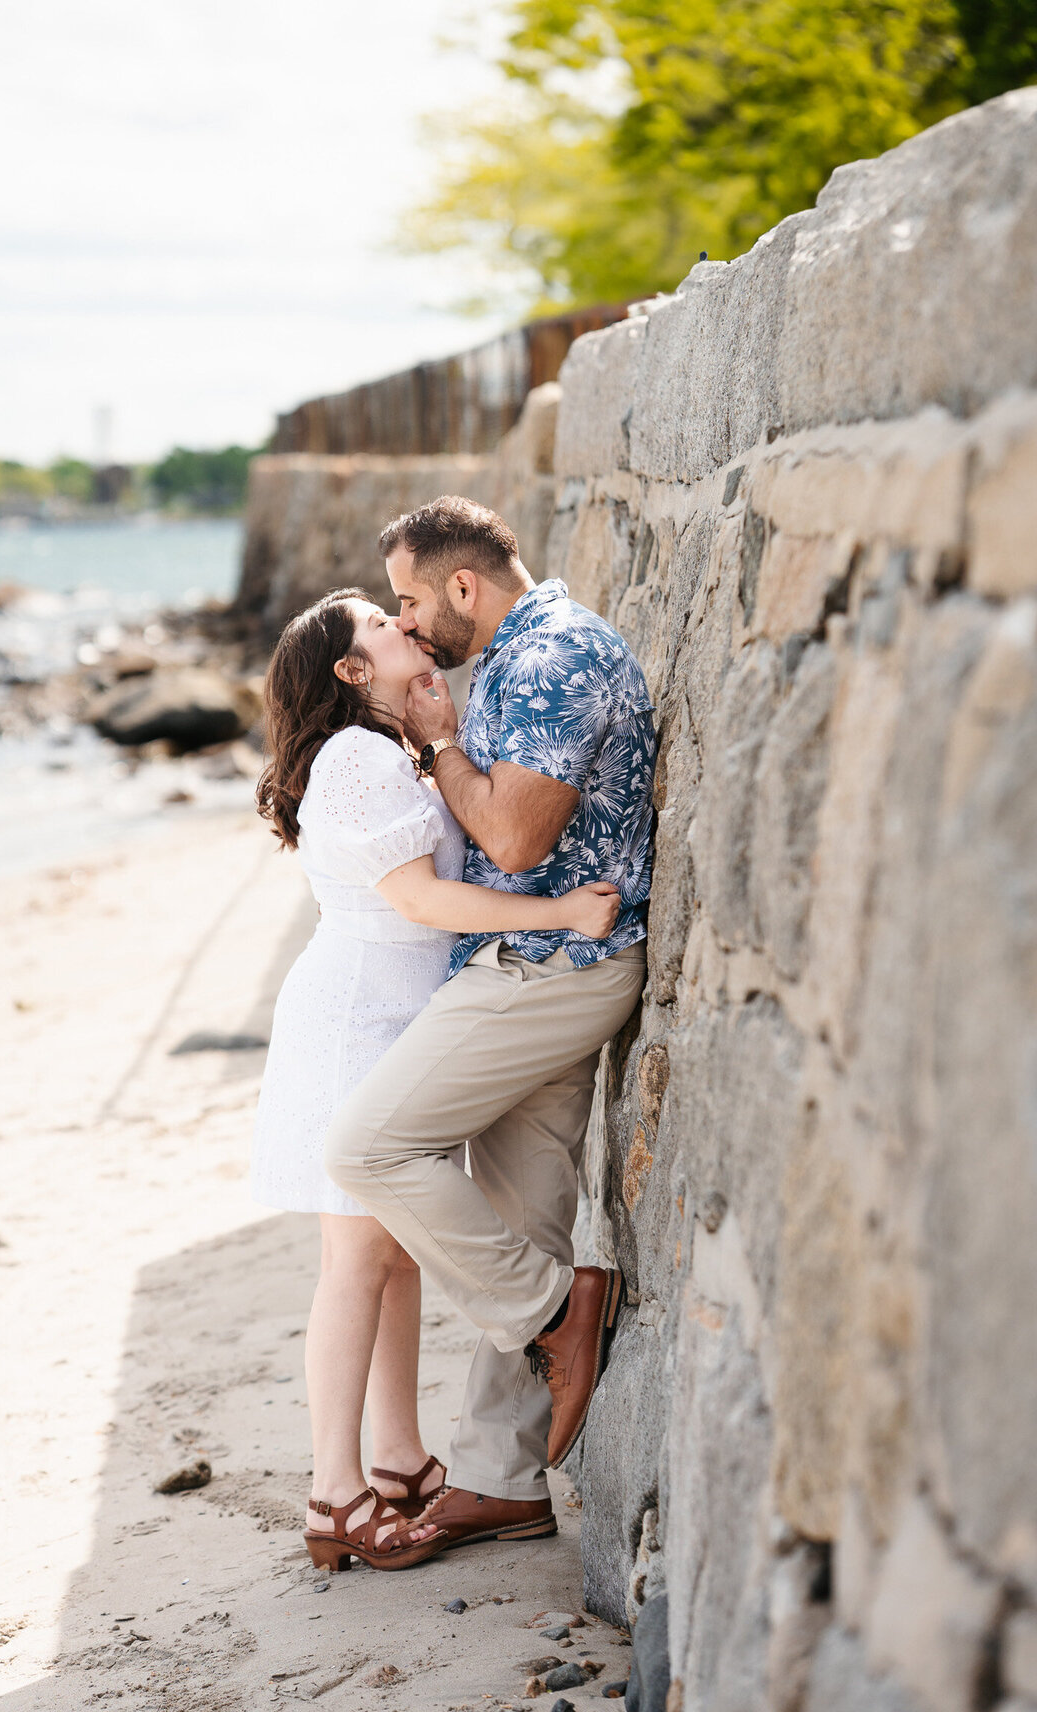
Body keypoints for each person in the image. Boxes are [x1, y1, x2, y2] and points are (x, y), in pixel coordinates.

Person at [250, 587, 623, 1573]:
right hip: (356, 1024)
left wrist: (435, 737)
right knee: (355, 1264)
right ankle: (335, 1492)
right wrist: (560, 917)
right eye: (382, 625)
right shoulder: (357, 756)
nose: (406, 626)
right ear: (350, 672)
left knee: (398, 1257)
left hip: (395, 1016)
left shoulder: (390, 751)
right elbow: (419, 900)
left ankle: (401, 1459)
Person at [325, 497, 655, 1552]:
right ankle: (502, 1481)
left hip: (555, 965)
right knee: (521, 1214)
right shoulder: (514, 658)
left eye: (412, 601)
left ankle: (559, 1313)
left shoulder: (554, 659)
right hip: (536, 958)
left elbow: (513, 839)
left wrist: (435, 749)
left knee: (368, 1146)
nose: (407, 624)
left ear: (464, 585)